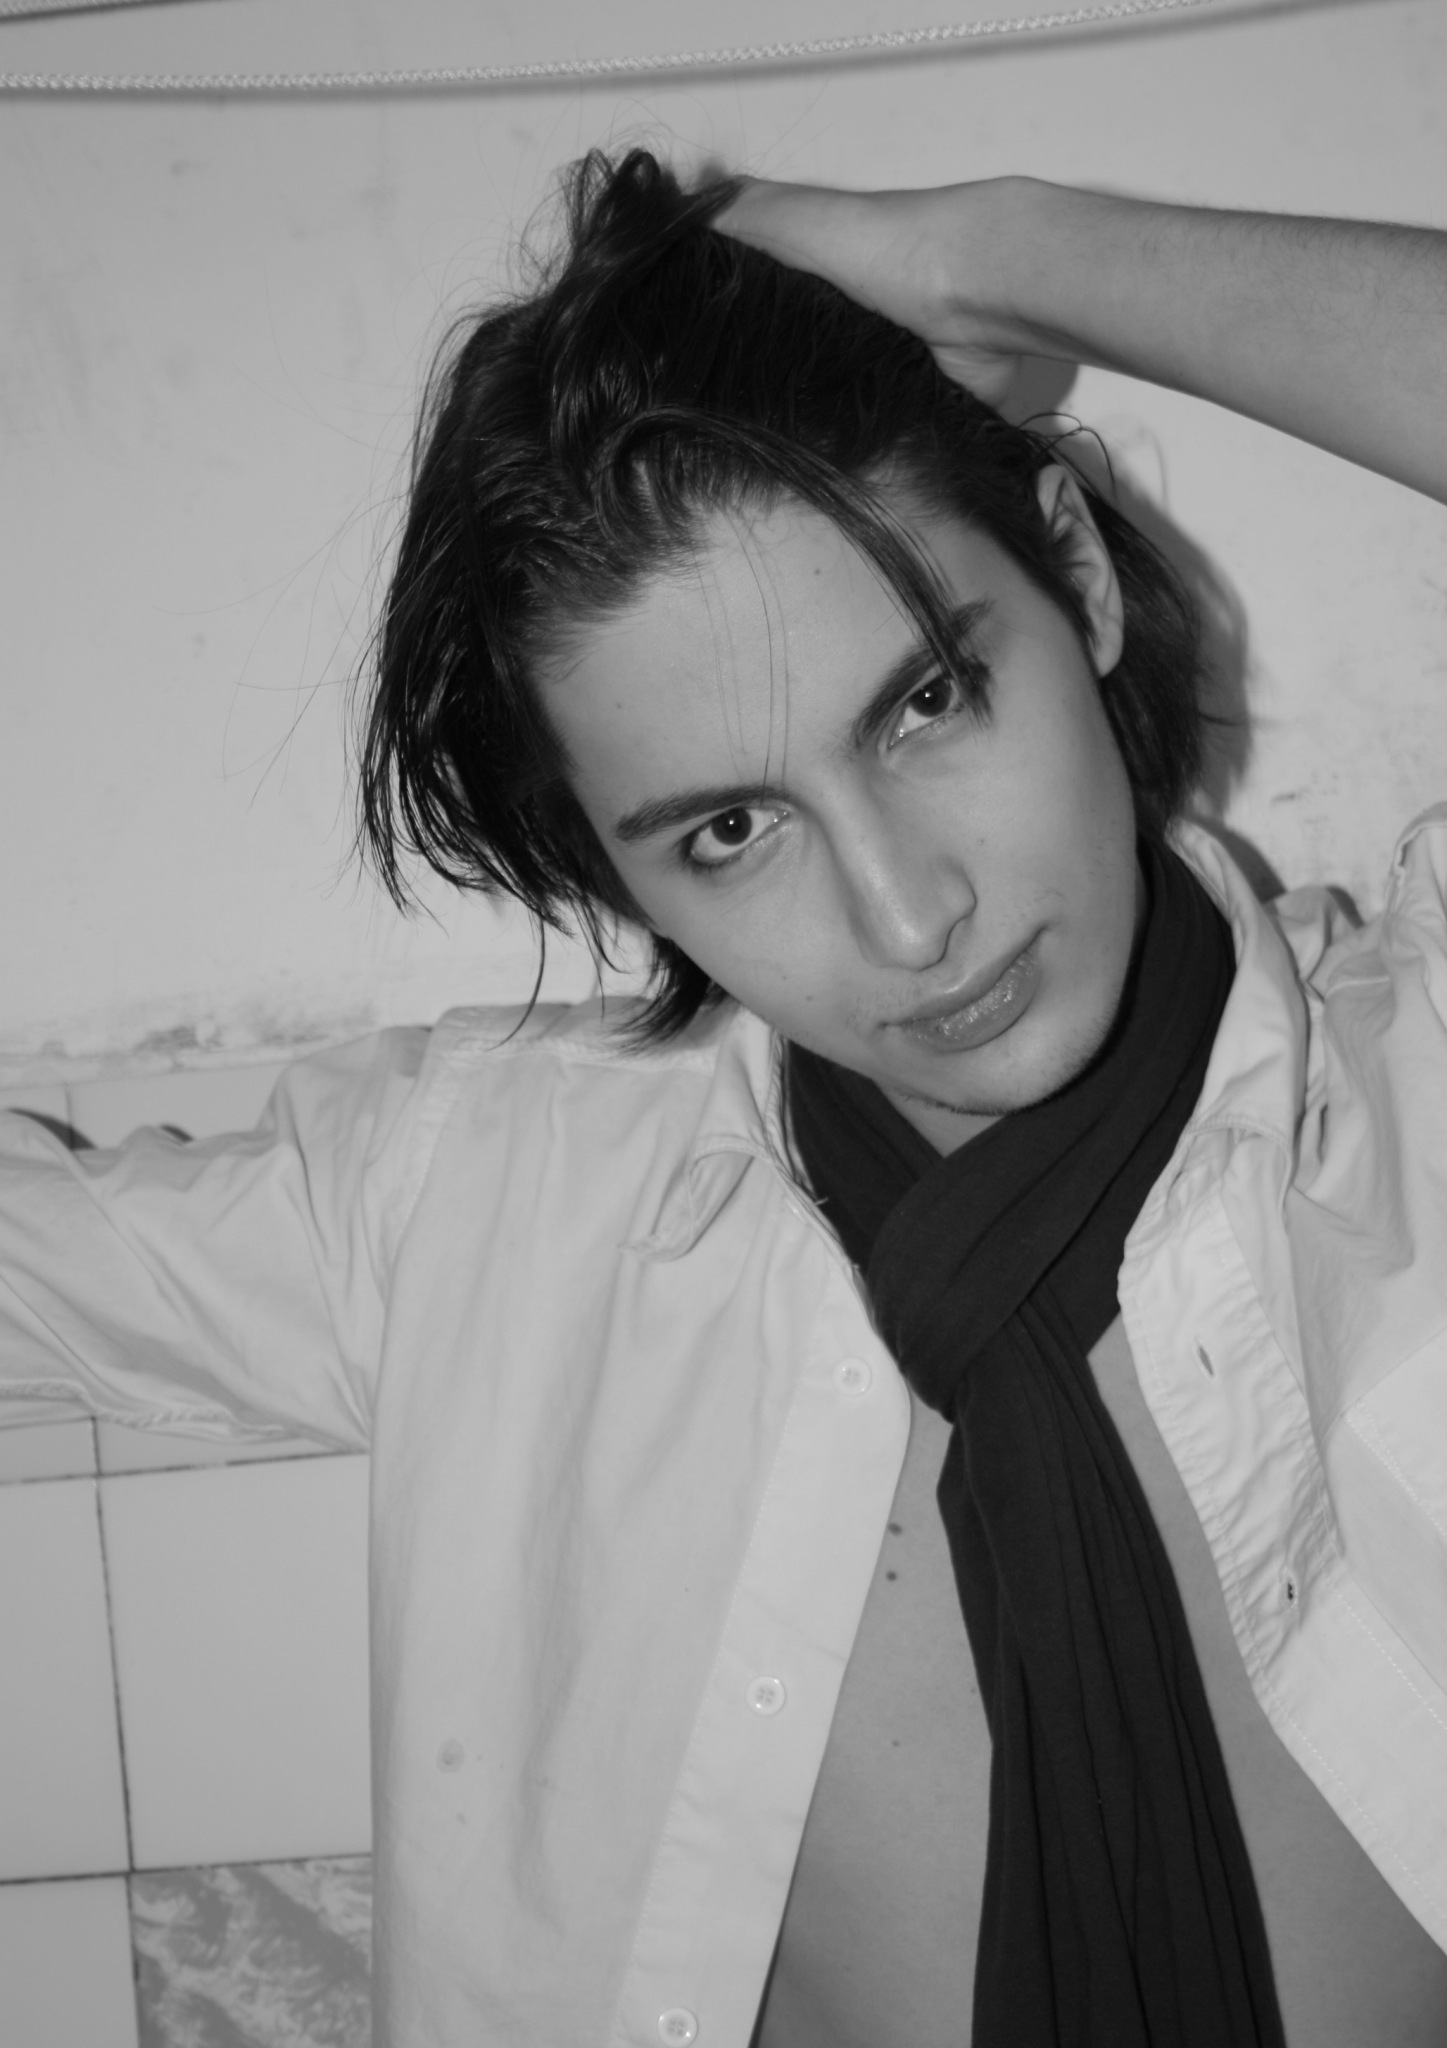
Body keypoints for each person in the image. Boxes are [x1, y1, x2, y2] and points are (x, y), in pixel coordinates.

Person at [2, 149, 1446, 2048]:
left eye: (927, 702)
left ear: (1079, 576)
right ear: (614, 872)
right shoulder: (483, 1207)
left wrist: (1009, 258)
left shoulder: (1416, 1089)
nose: (909, 917)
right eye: (731, 830)